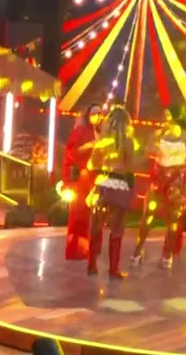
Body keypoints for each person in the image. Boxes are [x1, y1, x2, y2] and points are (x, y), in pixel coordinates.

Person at [131, 105, 186, 269]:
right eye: (165, 115)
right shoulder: (157, 134)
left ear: (177, 116)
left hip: (177, 180)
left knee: (174, 218)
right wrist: (150, 147)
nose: (166, 119)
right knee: (148, 214)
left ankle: (167, 254)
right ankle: (137, 251)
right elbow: (146, 153)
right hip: (158, 178)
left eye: (169, 115)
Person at [86, 105, 144, 279]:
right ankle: (113, 269)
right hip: (120, 186)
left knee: (96, 227)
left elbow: (91, 165)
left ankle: (92, 265)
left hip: (103, 185)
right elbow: (130, 166)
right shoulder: (128, 141)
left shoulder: (102, 142)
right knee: (117, 229)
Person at [62, 103, 104, 260]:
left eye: (99, 114)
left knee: (90, 216)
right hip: (81, 179)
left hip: (93, 179)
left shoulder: (99, 132)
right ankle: (75, 249)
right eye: (94, 113)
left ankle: (87, 249)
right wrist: (89, 146)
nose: (97, 116)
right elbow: (71, 152)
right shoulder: (80, 131)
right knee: (78, 214)